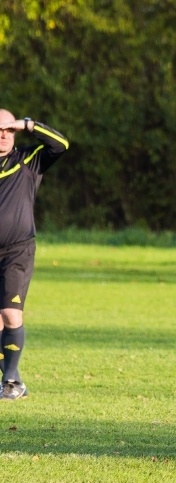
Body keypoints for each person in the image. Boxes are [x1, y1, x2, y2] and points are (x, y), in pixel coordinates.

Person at [0, 110, 69, 401]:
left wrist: (27, 125)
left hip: (17, 250)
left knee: (10, 313)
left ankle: (11, 381)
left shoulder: (29, 160)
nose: (3, 136)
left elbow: (60, 144)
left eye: (8, 130)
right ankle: (9, 380)